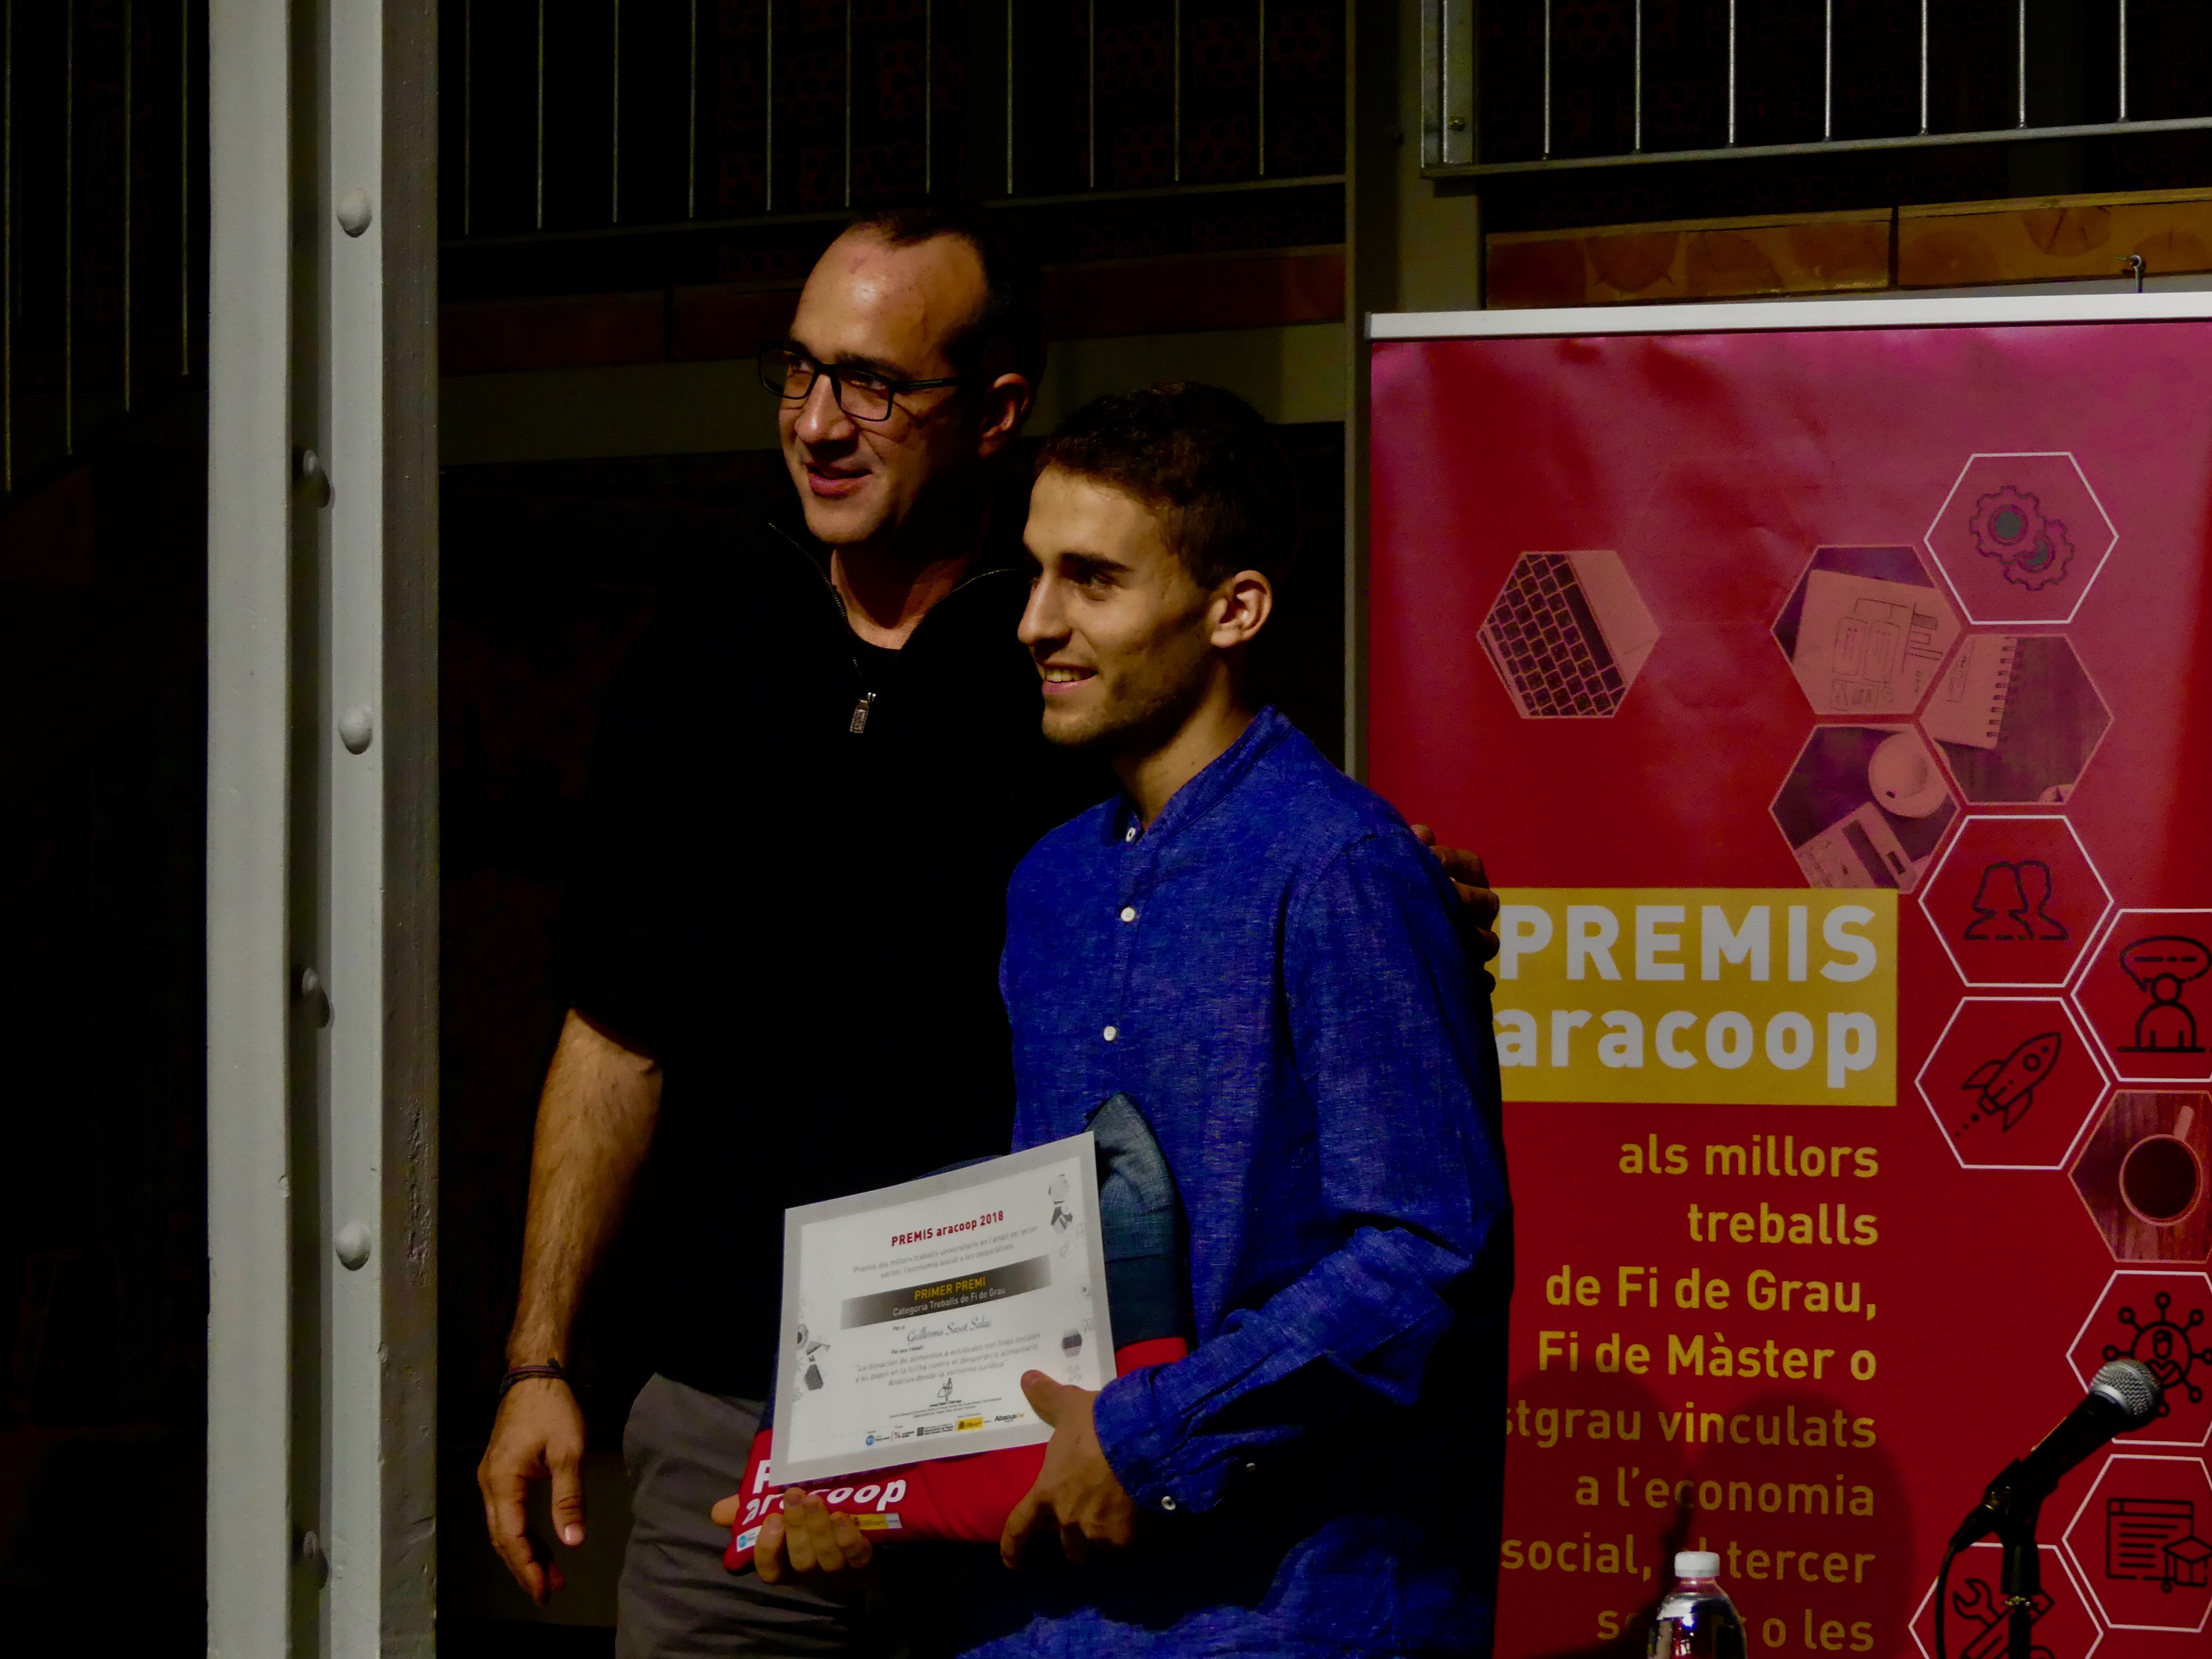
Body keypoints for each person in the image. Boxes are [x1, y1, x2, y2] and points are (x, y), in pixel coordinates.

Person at [476, 200, 1501, 1657]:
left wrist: (1388, 894)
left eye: (873, 383)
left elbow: (1411, 1233)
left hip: (1169, 1536)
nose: (818, 420)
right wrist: (562, 1367)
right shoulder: (724, 676)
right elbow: (617, 1034)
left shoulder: (1206, 778)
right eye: (799, 369)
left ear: (994, 408)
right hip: (829, 1467)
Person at [755, 384, 1512, 1656]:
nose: (1035, 622)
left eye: (1092, 580)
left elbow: (1426, 1252)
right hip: (1046, 1614)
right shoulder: (1049, 883)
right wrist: (855, 1468)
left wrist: (1148, 1436)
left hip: (1284, 1614)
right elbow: (1025, 1259)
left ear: (1234, 609)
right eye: (1036, 572)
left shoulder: (1338, 867)